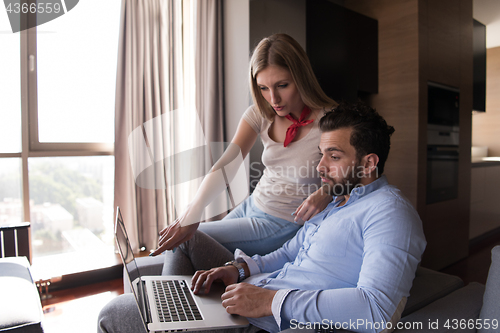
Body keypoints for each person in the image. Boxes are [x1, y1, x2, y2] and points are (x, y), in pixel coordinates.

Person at [98, 102, 427, 333]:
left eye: (334, 156)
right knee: (187, 246)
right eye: (322, 154)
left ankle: (176, 322)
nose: (320, 167)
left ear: (369, 164)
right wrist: (238, 269)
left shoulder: (390, 214)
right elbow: (288, 254)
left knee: (114, 313)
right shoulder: (335, 201)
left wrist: (271, 301)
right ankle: (176, 318)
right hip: (250, 297)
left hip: (263, 322)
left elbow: (376, 311)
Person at [151, 33, 337, 257]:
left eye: (282, 85)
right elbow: (226, 164)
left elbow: (360, 172)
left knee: (186, 242)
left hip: (282, 222)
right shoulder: (261, 114)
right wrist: (193, 210)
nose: (273, 98)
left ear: (301, 77)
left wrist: (328, 190)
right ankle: (162, 290)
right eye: (263, 88)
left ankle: (165, 290)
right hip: (252, 205)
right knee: (182, 237)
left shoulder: (331, 121)